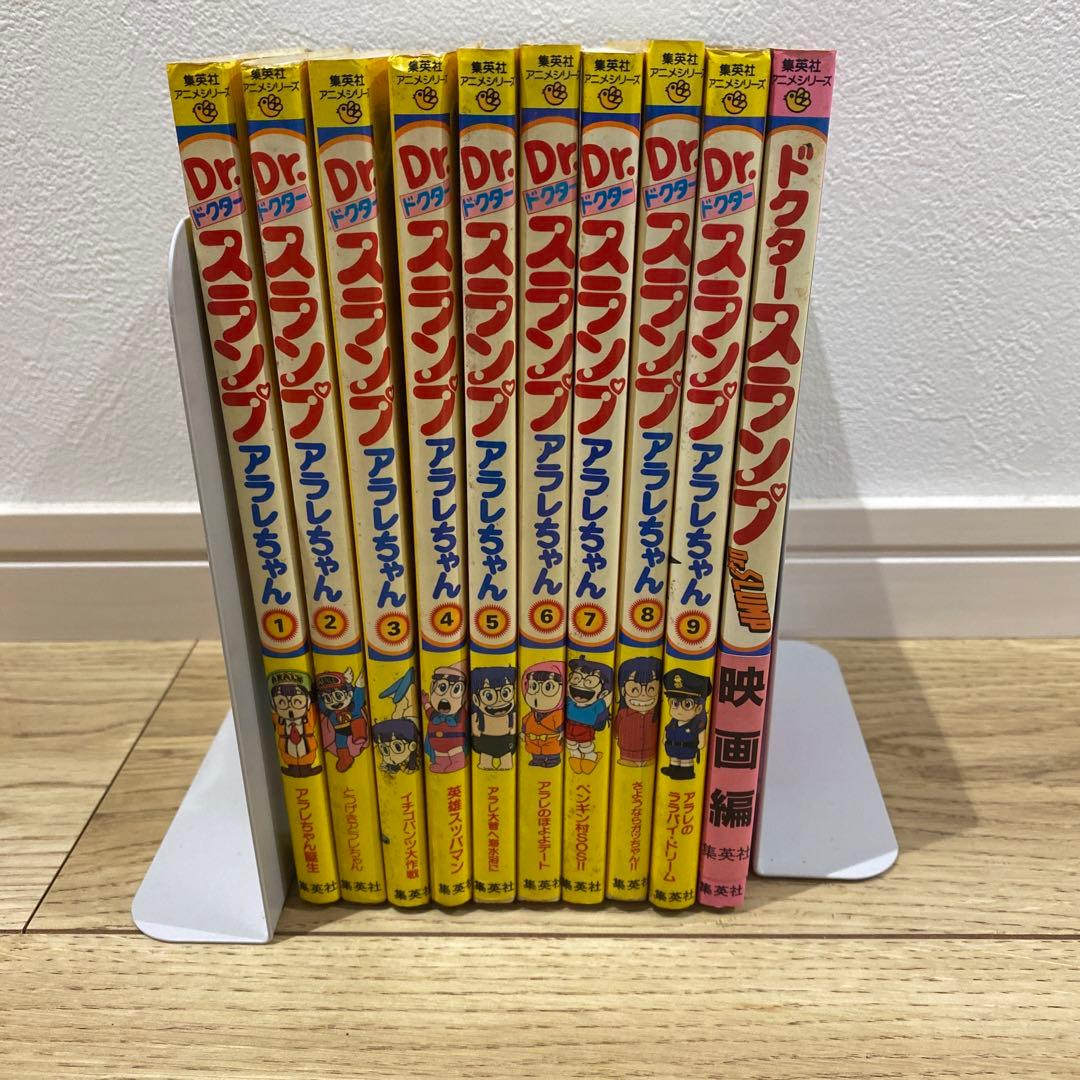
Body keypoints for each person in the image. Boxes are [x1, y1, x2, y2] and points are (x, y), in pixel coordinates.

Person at [660, 668, 712, 780]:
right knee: (674, 759)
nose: (678, 710)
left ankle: (686, 772)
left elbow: (701, 736)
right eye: (674, 703)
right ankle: (673, 768)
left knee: (685, 761)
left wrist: (700, 744)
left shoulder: (696, 725)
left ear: (699, 708)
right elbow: (667, 729)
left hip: (687, 749)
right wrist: (664, 739)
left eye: (687, 704)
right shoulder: (673, 723)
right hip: (672, 748)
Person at [564, 657, 612, 774]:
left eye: (590, 682)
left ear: (603, 693)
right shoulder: (569, 702)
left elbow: (607, 699)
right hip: (570, 728)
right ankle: (575, 758)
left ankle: (591, 757)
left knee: (585, 746)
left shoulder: (595, 706)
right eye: (576, 678)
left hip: (585, 730)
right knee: (571, 745)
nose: (580, 684)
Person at [613, 656, 661, 767]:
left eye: (651, 689)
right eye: (634, 689)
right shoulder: (623, 714)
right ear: (623, 691)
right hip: (627, 754)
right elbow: (616, 729)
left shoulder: (655, 714)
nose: (643, 695)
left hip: (650, 753)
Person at [470, 667, 517, 770]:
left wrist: (512, 731)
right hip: (487, 739)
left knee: (506, 755)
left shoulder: (511, 714)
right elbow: (474, 725)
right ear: (475, 699)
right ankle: (485, 764)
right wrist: (476, 732)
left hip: (505, 738)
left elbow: (513, 725)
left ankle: (506, 765)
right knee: (486, 755)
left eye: (505, 693)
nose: (500, 701)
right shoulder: (477, 715)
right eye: (489, 696)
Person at [520, 661, 565, 767]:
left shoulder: (558, 715)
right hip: (533, 741)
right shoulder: (530, 715)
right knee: (535, 752)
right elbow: (525, 723)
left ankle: (553, 761)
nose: (538, 694)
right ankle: (537, 760)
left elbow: (561, 726)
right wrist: (523, 732)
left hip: (551, 741)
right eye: (533, 686)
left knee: (552, 753)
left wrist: (562, 733)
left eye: (548, 687)